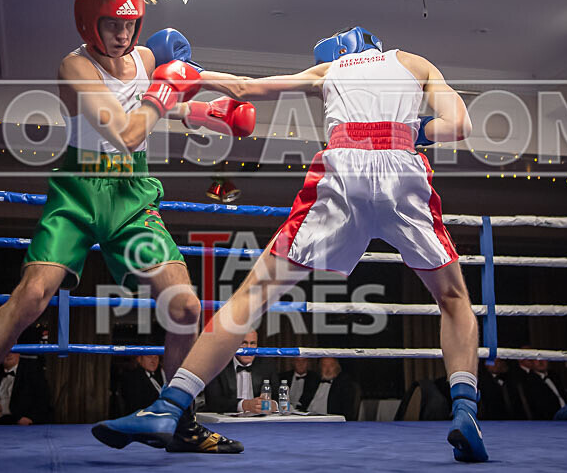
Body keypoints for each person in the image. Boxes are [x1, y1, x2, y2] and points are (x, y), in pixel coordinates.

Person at [94, 26, 488, 462]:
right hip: (402, 168)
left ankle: (169, 407)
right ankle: (465, 412)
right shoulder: (414, 62)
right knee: (453, 298)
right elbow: (460, 126)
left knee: (252, 296)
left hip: (342, 170)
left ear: (341, 51)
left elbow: (245, 88)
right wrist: (413, 132)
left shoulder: (330, 69)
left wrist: (191, 73)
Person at [0, 0, 253, 462]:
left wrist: (210, 106)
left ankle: (181, 421)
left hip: (131, 194)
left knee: (185, 307)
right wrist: (168, 92)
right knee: (31, 296)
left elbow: (159, 101)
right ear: (90, 24)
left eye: (131, 25)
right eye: (112, 24)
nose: (123, 35)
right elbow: (128, 131)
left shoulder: (145, 60)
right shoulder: (74, 67)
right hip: (79, 191)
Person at [203, 329, 278, 413]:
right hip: (226, 419)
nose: (248, 348)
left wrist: (274, 405)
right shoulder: (218, 365)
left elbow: (278, 396)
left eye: (252, 343)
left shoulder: (266, 365)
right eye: (243, 343)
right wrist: (244, 405)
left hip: (260, 418)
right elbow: (213, 401)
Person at [0, 352, 52, 425]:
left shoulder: (32, 372)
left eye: (13, 351)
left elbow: (43, 399)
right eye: (5, 351)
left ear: (19, 353)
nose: (9, 354)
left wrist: (30, 418)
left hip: (19, 423)